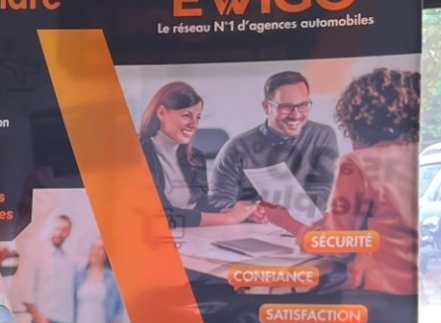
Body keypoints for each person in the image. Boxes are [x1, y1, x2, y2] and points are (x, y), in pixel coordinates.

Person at [256, 68, 419, 302]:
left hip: (378, 297)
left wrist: (285, 220)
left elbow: (337, 246)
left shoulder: (358, 162)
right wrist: (334, 222)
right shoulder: (417, 156)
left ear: (358, 124)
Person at [208, 70, 342, 217]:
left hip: (303, 224)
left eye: (303, 105)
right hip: (252, 227)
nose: (296, 115)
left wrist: (287, 213)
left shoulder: (322, 135)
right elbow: (218, 201)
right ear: (266, 107)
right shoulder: (235, 148)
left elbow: (325, 190)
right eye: (286, 107)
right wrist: (250, 212)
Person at [135, 80, 255, 228]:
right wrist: (229, 218)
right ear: (161, 113)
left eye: (198, 117)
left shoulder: (195, 158)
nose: (195, 125)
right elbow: (160, 215)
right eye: (187, 115)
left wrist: (239, 212)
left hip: (193, 235)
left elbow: (199, 204)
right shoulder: (137, 155)